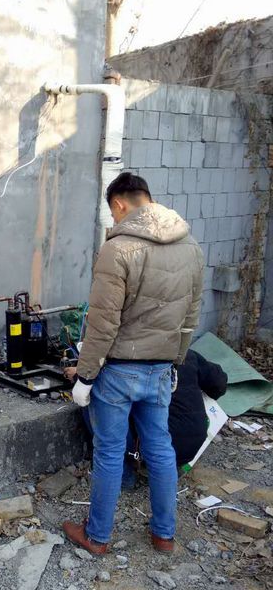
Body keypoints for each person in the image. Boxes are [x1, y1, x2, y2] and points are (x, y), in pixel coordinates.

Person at [63, 172, 204, 554]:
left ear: (120, 204)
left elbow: (102, 322)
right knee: (160, 448)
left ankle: (97, 537)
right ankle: (164, 535)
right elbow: (190, 316)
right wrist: (175, 361)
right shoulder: (190, 247)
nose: (114, 220)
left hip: (119, 371)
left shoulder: (118, 249)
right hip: (160, 368)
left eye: (113, 213)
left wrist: (85, 377)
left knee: (110, 452)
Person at [65, 349, 228, 484]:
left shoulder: (131, 361)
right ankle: (168, 472)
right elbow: (219, 384)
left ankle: (125, 475)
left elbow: (106, 384)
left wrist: (81, 375)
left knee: (94, 399)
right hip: (194, 443)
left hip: (152, 446)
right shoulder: (187, 354)